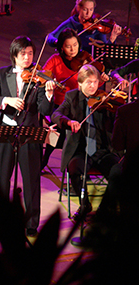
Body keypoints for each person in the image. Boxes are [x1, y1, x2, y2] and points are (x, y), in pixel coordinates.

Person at [0, 35, 55, 237]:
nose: (27, 57)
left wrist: (49, 95)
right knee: (3, 179)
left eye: (30, 53)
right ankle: (0, 221)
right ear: (14, 54)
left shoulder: (39, 78)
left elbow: (45, 109)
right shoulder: (1, 73)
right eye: (23, 53)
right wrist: (6, 100)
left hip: (29, 135)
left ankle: (31, 223)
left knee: (31, 180)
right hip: (6, 133)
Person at [51, 64, 120, 221]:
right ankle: (85, 204)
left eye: (95, 82)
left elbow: (117, 119)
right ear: (80, 83)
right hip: (80, 150)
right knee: (75, 171)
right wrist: (69, 122)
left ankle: (105, 207)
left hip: (102, 149)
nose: (93, 86)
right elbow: (56, 114)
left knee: (118, 172)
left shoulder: (104, 98)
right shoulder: (71, 97)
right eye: (88, 82)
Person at [41, 28, 109, 170]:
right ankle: (45, 160)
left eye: (75, 45)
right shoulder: (55, 60)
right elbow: (44, 74)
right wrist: (50, 81)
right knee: (58, 131)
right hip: (60, 105)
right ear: (61, 47)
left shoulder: (85, 59)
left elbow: (94, 84)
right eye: (68, 46)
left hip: (80, 104)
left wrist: (101, 79)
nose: (73, 49)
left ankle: (86, 159)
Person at [47, 0, 122, 53]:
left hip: (92, 62)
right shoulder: (71, 23)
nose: (88, 13)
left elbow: (105, 51)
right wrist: (57, 42)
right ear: (78, 8)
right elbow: (50, 36)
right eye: (85, 9)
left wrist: (113, 38)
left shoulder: (97, 26)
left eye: (91, 9)